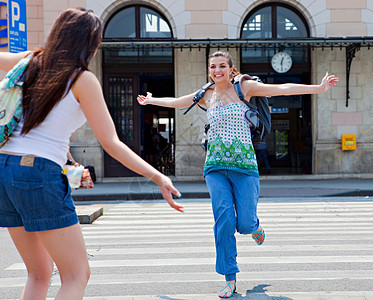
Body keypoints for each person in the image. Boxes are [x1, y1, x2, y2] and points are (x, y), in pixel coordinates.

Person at [0, 8, 183, 300]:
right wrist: (157, 175)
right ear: (91, 43)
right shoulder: (81, 79)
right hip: (36, 172)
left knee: (39, 272)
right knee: (76, 274)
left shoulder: (29, 60)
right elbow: (111, 142)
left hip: (3, 169)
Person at [137, 50, 337, 298]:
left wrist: (318, 88)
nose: (217, 70)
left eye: (222, 66)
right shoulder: (206, 94)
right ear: (209, 70)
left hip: (245, 167)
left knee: (243, 223)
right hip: (215, 167)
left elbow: (281, 89)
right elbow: (179, 101)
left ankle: (254, 227)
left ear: (231, 69)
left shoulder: (245, 87)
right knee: (224, 221)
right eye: (213, 66)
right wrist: (152, 100)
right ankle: (229, 278)